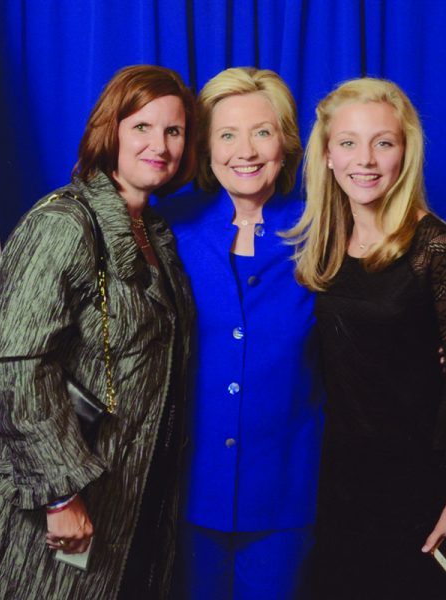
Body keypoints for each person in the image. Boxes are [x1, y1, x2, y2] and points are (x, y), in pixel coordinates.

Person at [0, 65, 197, 600]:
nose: (159, 144)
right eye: (142, 127)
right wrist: (60, 495)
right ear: (110, 130)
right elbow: (17, 365)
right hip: (51, 504)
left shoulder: (155, 235)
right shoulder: (65, 224)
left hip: (126, 499)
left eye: (173, 131)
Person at [287, 77, 446, 599]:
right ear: (326, 155)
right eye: (348, 143)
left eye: (383, 143)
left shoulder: (435, 248)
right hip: (341, 485)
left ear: (405, 153)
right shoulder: (322, 244)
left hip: (417, 488)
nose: (365, 160)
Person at [156, 67, 323, 600]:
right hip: (185, 491)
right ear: (205, 148)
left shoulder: (323, 231)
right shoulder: (167, 227)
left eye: (262, 132)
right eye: (227, 135)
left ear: (286, 143)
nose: (245, 151)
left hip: (287, 493)